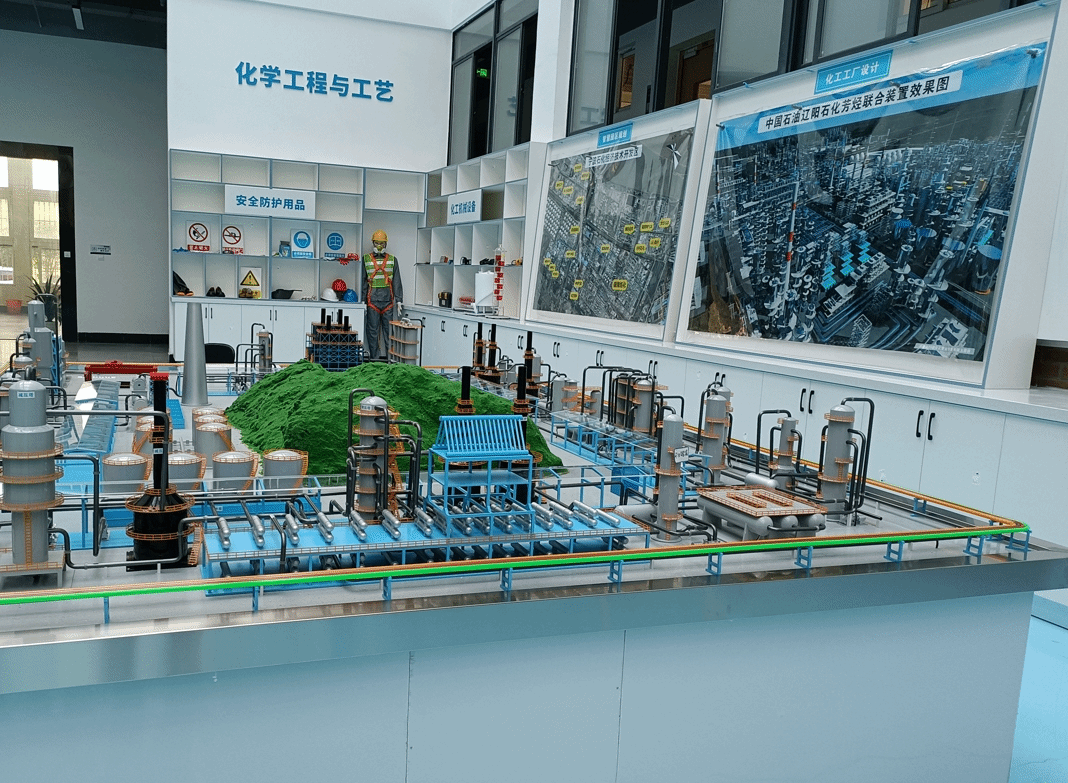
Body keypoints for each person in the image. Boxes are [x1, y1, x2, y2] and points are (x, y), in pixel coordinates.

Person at [361, 229, 403, 360]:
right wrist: (362, 302)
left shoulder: (393, 260)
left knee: (389, 332)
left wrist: (399, 300)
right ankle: (374, 359)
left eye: (382, 243)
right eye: (377, 243)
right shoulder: (365, 259)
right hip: (372, 302)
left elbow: (397, 281)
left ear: (386, 244)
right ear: (373, 243)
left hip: (388, 302)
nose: (379, 246)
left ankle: (391, 360)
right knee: (372, 332)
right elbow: (363, 281)